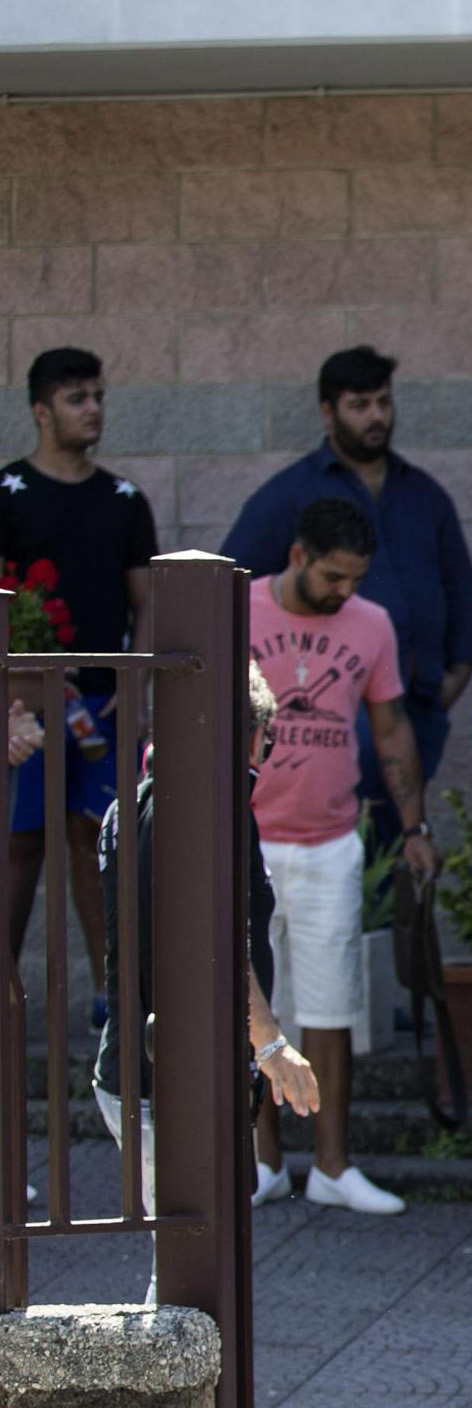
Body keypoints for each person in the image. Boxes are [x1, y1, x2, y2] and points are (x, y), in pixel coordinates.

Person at [247, 498, 437, 1218]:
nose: (344, 592)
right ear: (298, 557)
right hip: (250, 835)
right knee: (251, 1000)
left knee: (332, 1005)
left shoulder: (372, 624)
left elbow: (390, 729)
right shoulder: (238, 605)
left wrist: (414, 824)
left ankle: (331, 1165)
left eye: (355, 578)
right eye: (333, 576)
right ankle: (262, 1163)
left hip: (329, 839)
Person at [94, 666, 320, 1235]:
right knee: (192, 1260)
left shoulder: (134, 801)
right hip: (171, 1078)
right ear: (253, 736)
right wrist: (271, 1046)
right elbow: (210, 936)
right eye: (266, 741)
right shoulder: (209, 815)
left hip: (135, 1062)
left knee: (185, 1254)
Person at [223, 346, 472, 820]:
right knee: (339, 835)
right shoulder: (289, 495)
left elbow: (461, 591)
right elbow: (229, 590)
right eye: (359, 405)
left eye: (383, 403)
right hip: (323, 713)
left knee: (397, 845)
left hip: (415, 706)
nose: (376, 416)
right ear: (328, 412)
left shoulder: (424, 495)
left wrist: (452, 679)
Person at [4, 347, 156, 999]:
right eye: (76, 398)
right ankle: (6, 1002)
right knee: (19, 841)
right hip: (23, 706)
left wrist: (135, 684)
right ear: (41, 411)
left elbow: (147, 602)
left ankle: (110, 1005)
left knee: (98, 842)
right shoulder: (6, 494)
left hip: (102, 704)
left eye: (98, 396)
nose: (92, 409)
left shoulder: (124, 500)